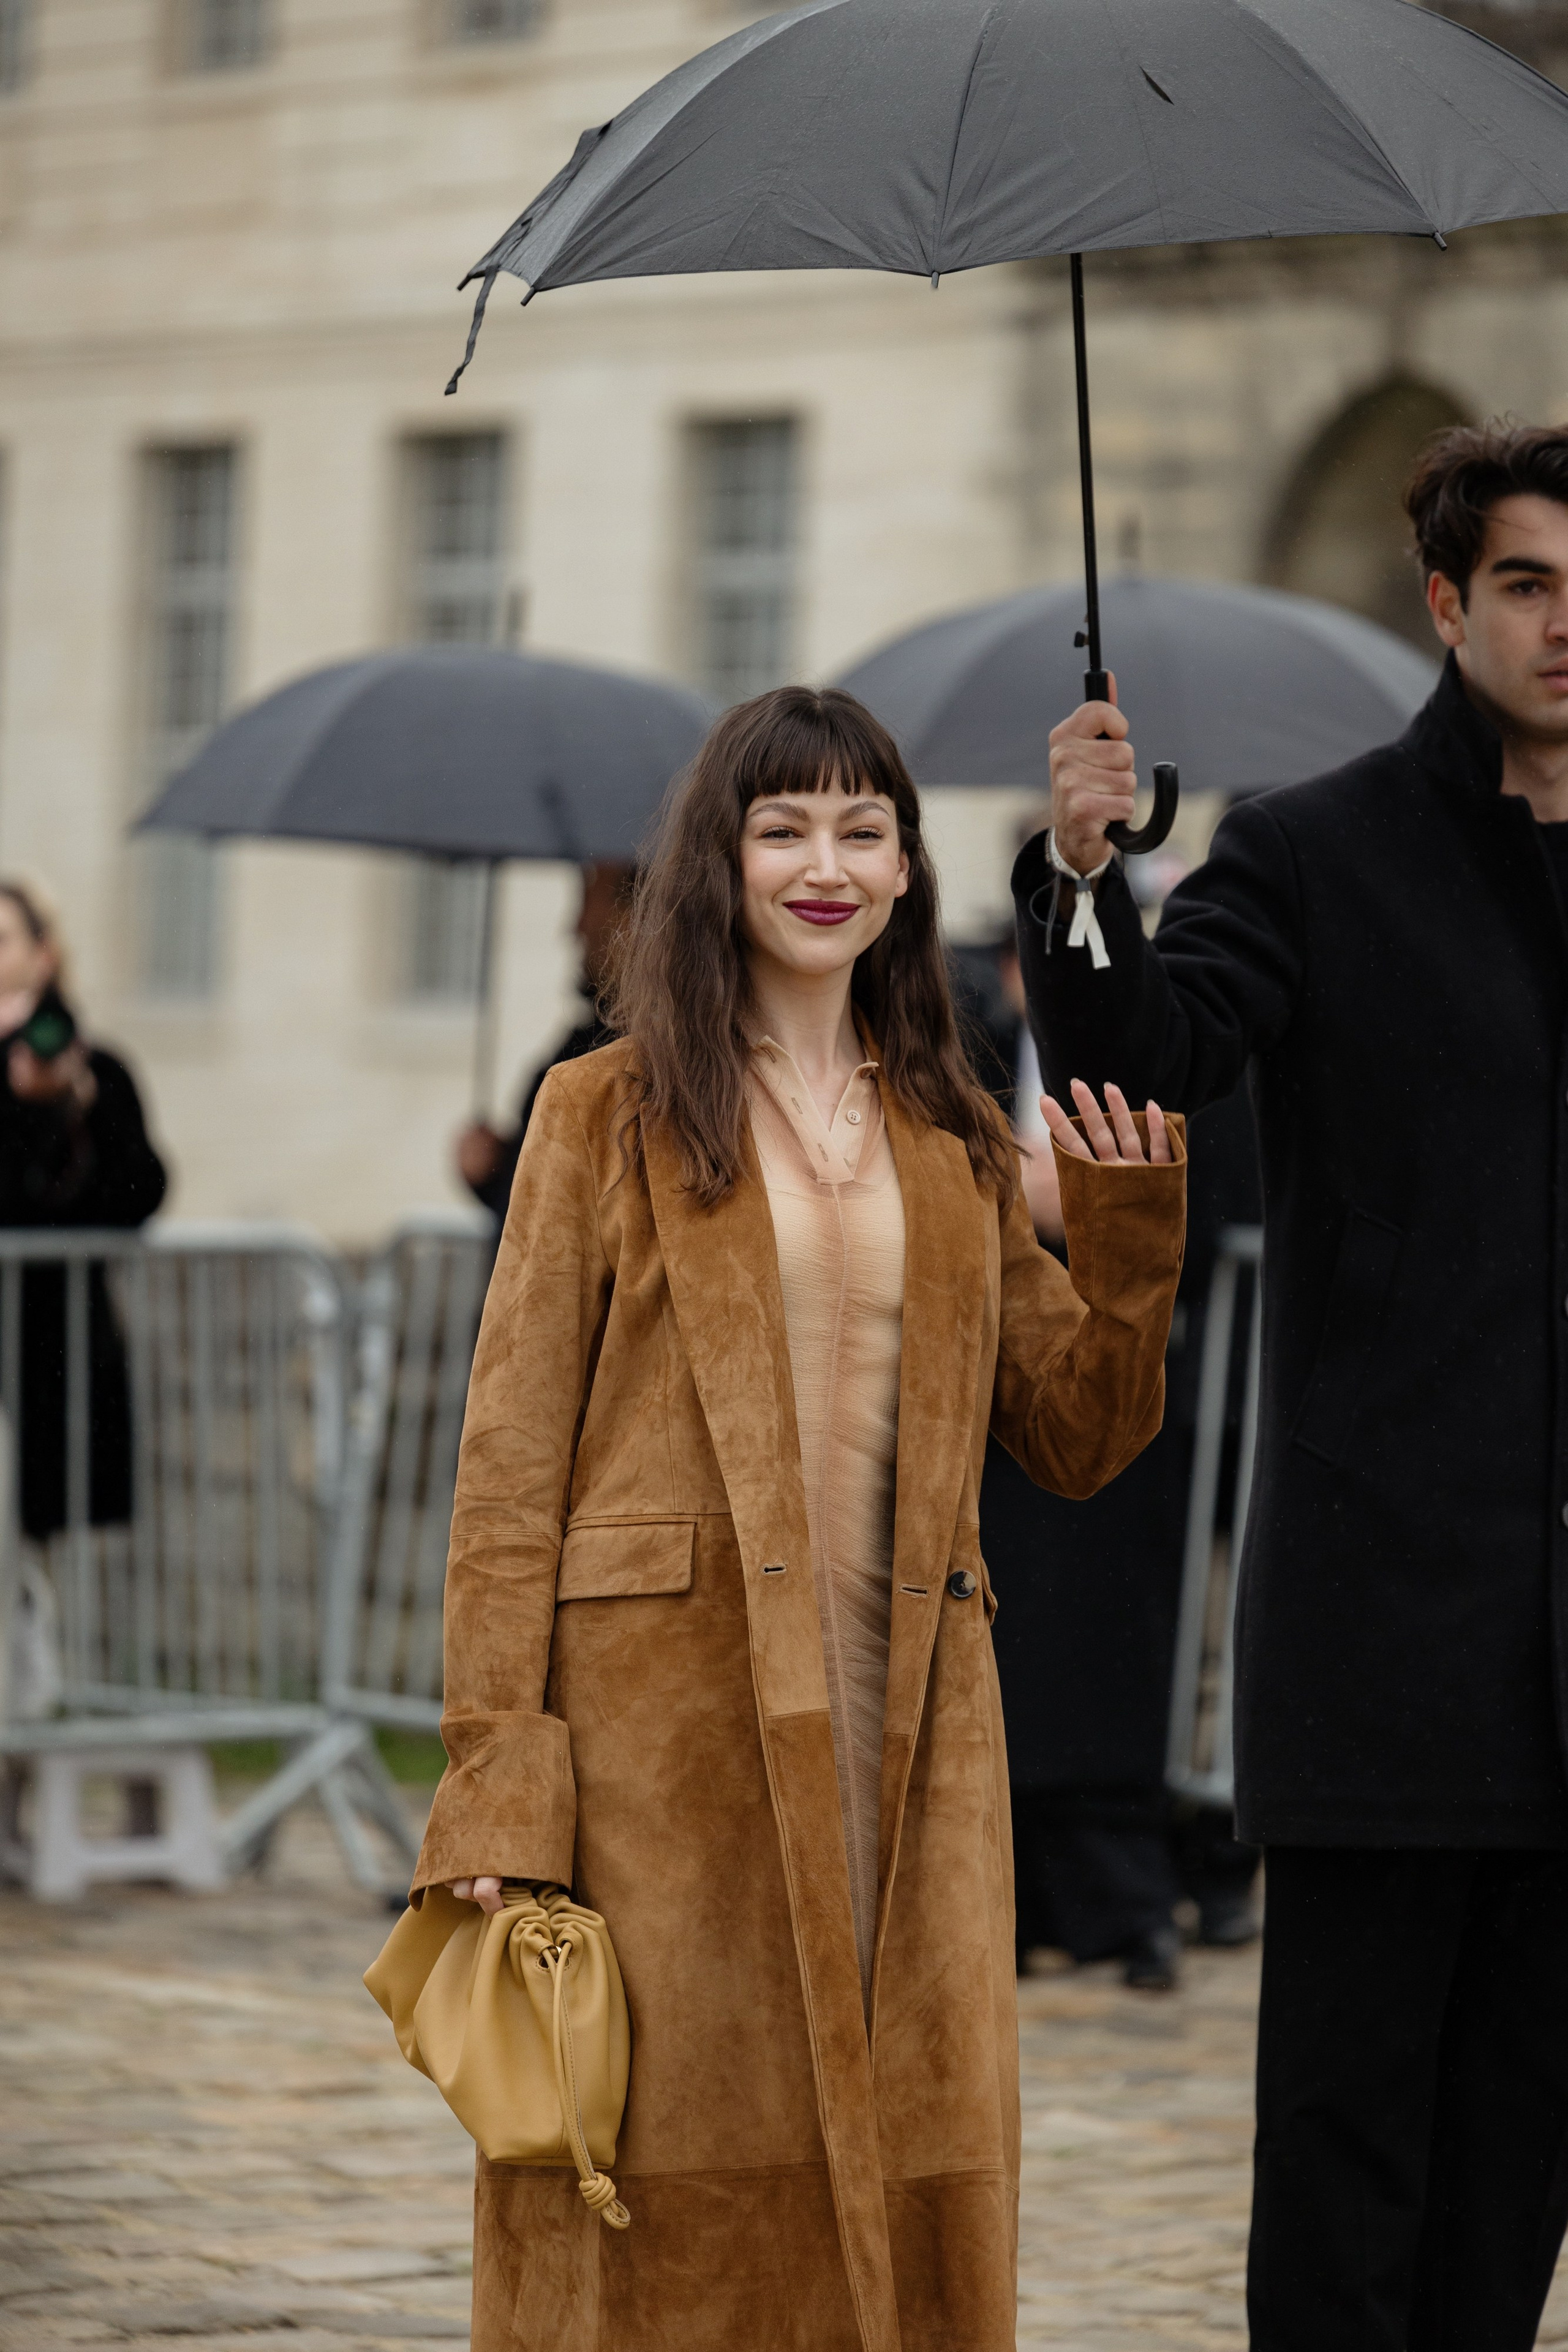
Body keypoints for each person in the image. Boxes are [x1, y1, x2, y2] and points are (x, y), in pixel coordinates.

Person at [411, 686, 1186, 2351]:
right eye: (784, 828)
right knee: (673, 2176)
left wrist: (1125, 1248)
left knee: (910, 2162)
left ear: (907, 871)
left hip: (914, 1741)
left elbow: (1077, 1435)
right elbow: (508, 1468)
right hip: (662, 1750)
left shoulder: (956, 1138)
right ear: (724, 860)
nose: (824, 864)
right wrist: (498, 1780)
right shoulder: (600, 1112)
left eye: (861, 829)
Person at [1014, 420, 1568, 2351]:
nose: (1564, 623)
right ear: (1444, 599)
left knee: (1511, 2183)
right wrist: (1086, 875)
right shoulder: (1318, 847)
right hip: (1384, 1633)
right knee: (1346, 2178)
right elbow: (1152, 1055)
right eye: (1524, 581)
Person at [960, 930, 1261, 1990]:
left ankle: (1125, 1906)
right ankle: (1015, 1901)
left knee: (1113, 1667)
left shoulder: (1168, 1054)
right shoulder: (967, 1041)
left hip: (1128, 1411)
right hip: (1000, 1417)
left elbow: (1208, 1192)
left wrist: (1079, 1200)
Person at [0, 880, 167, 1716]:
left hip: (66, 1362)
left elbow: (138, 1195)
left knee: (75, 1582)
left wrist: (74, 1105)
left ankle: (73, 1751)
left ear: (44, 955)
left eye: (3, 942)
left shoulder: (96, 1069)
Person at [453, 860, 633, 1221]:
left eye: (592, 899)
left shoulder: (632, 1063)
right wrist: (493, 1169)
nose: (576, 927)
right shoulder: (588, 1044)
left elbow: (575, 1217)